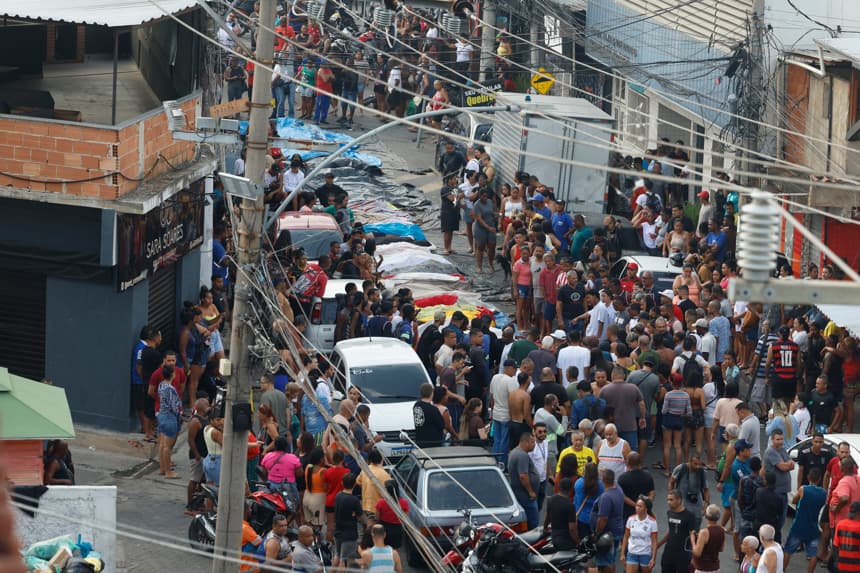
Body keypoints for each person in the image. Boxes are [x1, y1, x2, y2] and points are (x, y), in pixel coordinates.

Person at [783, 467, 826, 572]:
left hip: (799, 525)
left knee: (788, 550)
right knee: (813, 554)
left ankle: (782, 569)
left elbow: (793, 500)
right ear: (819, 479)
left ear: (808, 477)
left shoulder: (803, 489)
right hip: (813, 527)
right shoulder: (823, 493)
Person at [600, 366, 646, 450]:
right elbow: (642, 404)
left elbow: (601, 408)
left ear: (612, 376)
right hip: (630, 425)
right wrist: (642, 417)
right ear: (624, 376)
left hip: (612, 426)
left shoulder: (605, 390)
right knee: (631, 451)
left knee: (613, 450)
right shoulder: (633, 388)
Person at [657, 489, 698, 573]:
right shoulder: (669, 513)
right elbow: (671, 531)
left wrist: (694, 553)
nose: (668, 502)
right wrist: (659, 544)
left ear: (679, 500)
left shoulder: (689, 516)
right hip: (669, 551)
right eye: (668, 500)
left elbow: (692, 534)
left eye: (671, 499)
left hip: (683, 554)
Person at [594, 468, 626, 573]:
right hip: (617, 530)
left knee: (605, 561)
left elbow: (603, 519)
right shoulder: (618, 487)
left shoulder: (606, 497)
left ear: (603, 480)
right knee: (611, 558)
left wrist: (597, 533)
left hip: (608, 534)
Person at [764, 429, 794, 535]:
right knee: (776, 519)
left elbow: (792, 464)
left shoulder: (782, 450)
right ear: (772, 439)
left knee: (782, 518)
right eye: (778, 439)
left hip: (783, 491)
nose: (780, 441)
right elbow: (783, 467)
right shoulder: (771, 451)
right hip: (776, 491)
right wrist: (787, 464)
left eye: (782, 439)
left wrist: (788, 464)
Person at [509, 432, 540, 530]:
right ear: (525, 442)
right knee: (533, 520)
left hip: (520, 493)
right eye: (532, 442)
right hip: (526, 496)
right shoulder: (522, 456)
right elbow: (523, 475)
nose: (534, 445)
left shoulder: (514, 452)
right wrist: (531, 492)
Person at [332, 472, 364, 568]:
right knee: (344, 560)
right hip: (349, 534)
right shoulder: (354, 500)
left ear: (342, 483)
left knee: (337, 555)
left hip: (338, 531)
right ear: (354, 484)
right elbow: (360, 515)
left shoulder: (338, 496)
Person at [156, 365, 182, 479]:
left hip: (161, 414)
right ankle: (168, 472)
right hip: (169, 417)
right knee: (167, 446)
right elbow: (173, 406)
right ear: (172, 374)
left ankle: (162, 468)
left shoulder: (161, 385)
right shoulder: (170, 389)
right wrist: (179, 414)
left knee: (162, 444)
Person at [669, 454, 709, 525]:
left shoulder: (702, 472)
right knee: (682, 524)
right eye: (695, 464)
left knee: (697, 522)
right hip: (682, 501)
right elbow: (671, 482)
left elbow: (706, 489)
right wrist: (671, 498)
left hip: (696, 502)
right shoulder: (681, 468)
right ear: (689, 462)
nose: (698, 467)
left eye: (699, 464)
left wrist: (706, 504)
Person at [620, 496, 658, 573]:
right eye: (637, 505)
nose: (637, 508)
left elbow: (654, 541)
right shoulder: (630, 519)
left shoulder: (652, 522)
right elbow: (626, 537)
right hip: (632, 554)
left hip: (645, 554)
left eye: (640, 506)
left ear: (646, 508)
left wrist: (653, 558)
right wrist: (622, 554)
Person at [544, 477, 580, 550]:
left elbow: (548, 517)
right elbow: (572, 529)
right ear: (571, 490)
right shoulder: (570, 506)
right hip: (566, 540)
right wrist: (578, 542)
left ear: (559, 487)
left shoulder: (551, 500)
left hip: (553, 537)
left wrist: (545, 527)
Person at [618, 452, 655, 519]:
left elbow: (623, 496)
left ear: (627, 462)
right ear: (640, 462)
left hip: (628, 512)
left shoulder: (622, 478)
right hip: (645, 511)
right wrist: (645, 504)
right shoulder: (648, 476)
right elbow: (652, 493)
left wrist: (636, 505)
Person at [374, 480, 409, 550]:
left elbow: (377, 518)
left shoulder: (381, 502)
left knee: (384, 549)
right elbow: (405, 519)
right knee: (395, 550)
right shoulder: (404, 503)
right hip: (397, 529)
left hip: (384, 529)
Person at [692, 504, 725, 573]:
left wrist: (692, 540)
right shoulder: (722, 530)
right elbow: (721, 549)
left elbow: (697, 553)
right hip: (715, 567)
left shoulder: (704, 532)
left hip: (703, 568)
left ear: (706, 516)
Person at [833, 502, 860, 573]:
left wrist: (836, 561)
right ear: (858, 514)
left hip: (842, 565)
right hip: (856, 567)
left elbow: (835, 545)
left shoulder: (840, 524)